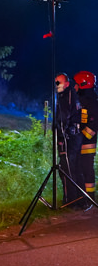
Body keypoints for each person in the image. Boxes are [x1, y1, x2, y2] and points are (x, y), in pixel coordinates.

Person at [55, 73, 83, 207]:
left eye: (58, 82)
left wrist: (60, 137)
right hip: (75, 136)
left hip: (68, 138)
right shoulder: (72, 95)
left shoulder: (66, 97)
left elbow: (63, 119)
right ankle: (79, 199)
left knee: (66, 168)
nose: (56, 86)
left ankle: (71, 201)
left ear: (66, 84)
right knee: (75, 168)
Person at [73, 70, 98, 208]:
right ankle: (81, 199)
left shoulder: (92, 102)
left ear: (83, 84)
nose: (74, 87)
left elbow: (94, 124)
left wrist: (83, 137)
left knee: (87, 170)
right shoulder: (81, 100)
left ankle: (90, 199)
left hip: (87, 143)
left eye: (76, 84)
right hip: (79, 142)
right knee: (80, 170)